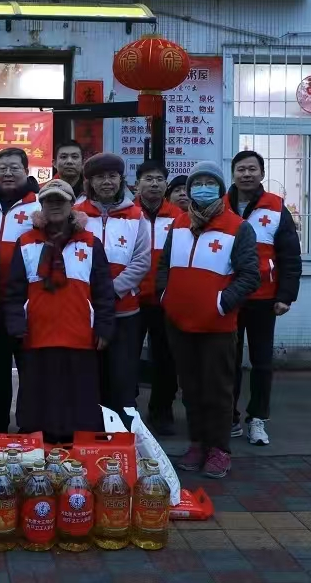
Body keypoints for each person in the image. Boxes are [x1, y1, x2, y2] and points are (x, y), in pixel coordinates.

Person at [156, 161, 260, 479]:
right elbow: (163, 266)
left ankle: (219, 449)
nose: (203, 188)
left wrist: (220, 303)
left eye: (209, 183)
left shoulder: (238, 227)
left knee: (217, 390)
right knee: (190, 388)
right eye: (197, 183)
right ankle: (197, 443)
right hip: (179, 323)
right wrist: (166, 296)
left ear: (220, 188)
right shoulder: (179, 224)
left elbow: (249, 275)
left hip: (217, 325)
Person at [4, 179, 114, 443]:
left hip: (80, 334)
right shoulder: (26, 242)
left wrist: (104, 327)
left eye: (60, 201)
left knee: (80, 398)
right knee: (38, 396)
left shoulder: (90, 243)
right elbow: (14, 290)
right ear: (41, 206)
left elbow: (103, 291)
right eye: (49, 201)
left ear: (71, 205)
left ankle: (78, 447)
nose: (55, 206)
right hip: (37, 334)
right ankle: (35, 445)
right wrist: (16, 323)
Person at [225, 151, 302, 447]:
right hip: (229, 297)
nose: (246, 174)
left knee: (261, 362)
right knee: (227, 361)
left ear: (262, 174)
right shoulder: (221, 205)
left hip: (264, 298)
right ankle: (229, 416)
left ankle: (257, 419)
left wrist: (286, 296)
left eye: (252, 169)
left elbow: (290, 256)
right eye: (241, 169)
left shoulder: (276, 207)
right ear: (233, 173)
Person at [76, 153, 150, 415]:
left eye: (112, 176)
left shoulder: (136, 216)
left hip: (124, 311)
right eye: (99, 177)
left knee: (122, 377)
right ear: (89, 182)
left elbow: (142, 261)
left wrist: (111, 291)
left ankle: (122, 432)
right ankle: (89, 429)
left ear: (121, 180)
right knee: (89, 377)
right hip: (86, 311)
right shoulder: (76, 214)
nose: (106, 182)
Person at [0, 147, 42, 435]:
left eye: (15, 167)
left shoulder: (38, 205)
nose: (8, 173)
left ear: (26, 171)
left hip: (27, 303)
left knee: (30, 371)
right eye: (2, 167)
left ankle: (31, 430)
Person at [132, 161, 183, 435]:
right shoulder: (127, 214)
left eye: (159, 179)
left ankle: (161, 410)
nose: (154, 184)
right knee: (127, 358)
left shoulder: (179, 217)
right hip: (132, 300)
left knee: (166, 359)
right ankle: (127, 411)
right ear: (137, 183)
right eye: (148, 179)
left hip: (166, 301)